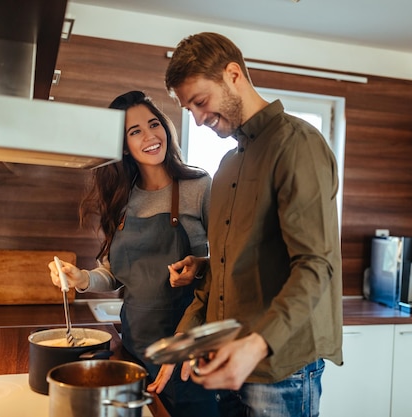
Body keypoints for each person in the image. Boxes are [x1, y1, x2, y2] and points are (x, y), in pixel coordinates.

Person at [148, 32, 343, 417]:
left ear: (233, 74)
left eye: (200, 102)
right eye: (189, 109)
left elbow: (316, 265)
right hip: (231, 364)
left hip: (280, 369)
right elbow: (226, 267)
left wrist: (255, 345)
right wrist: (184, 340)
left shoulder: (297, 145)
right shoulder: (227, 166)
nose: (198, 120)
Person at [48, 90, 219, 417]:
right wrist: (82, 277)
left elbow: (228, 260)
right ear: (124, 145)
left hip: (187, 350)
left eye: (154, 124)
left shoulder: (199, 185)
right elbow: (112, 273)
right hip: (135, 349)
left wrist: (199, 265)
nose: (150, 136)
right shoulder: (122, 198)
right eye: (135, 131)